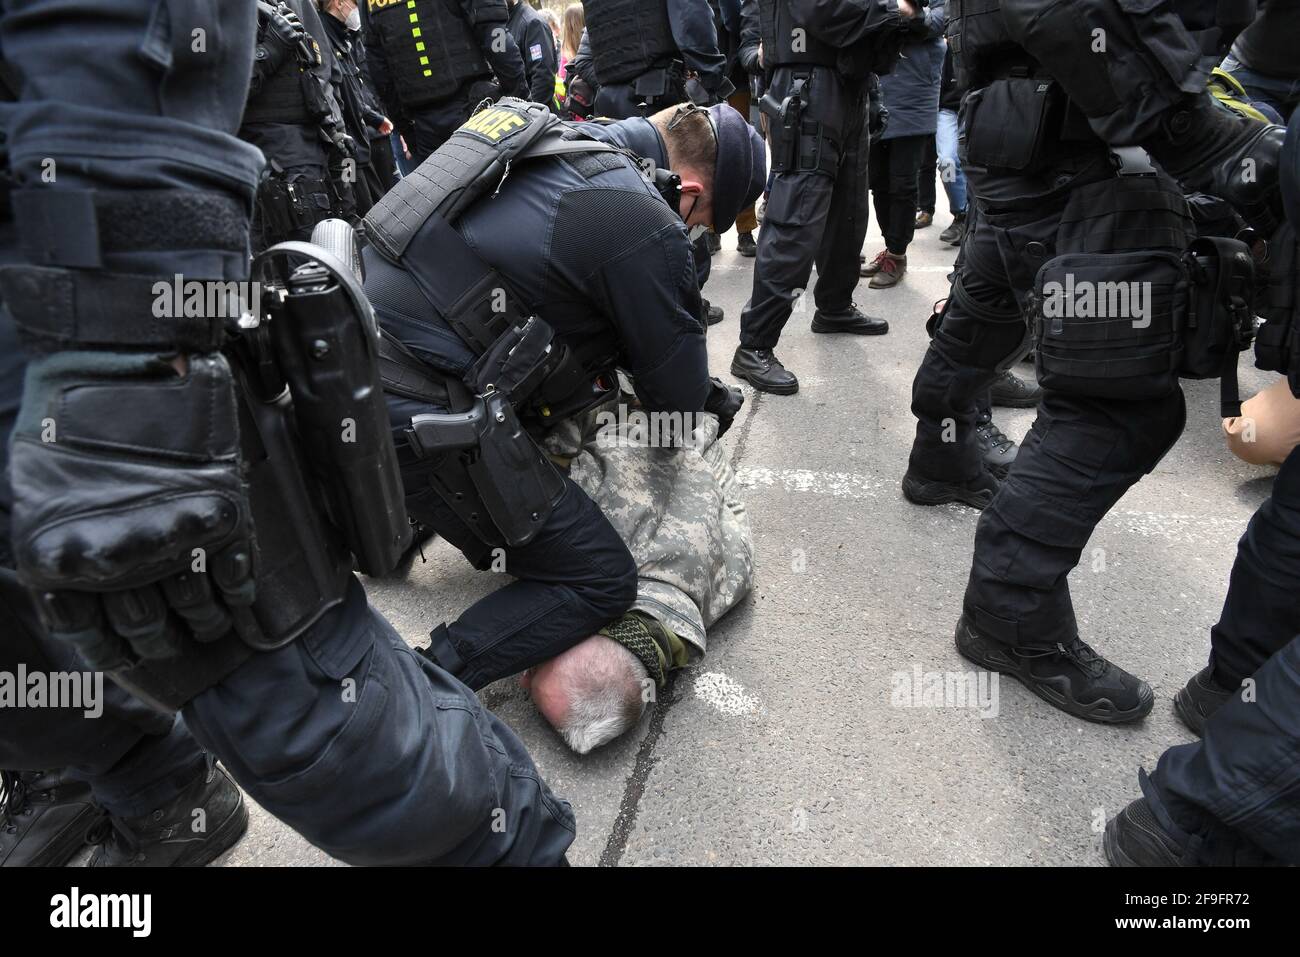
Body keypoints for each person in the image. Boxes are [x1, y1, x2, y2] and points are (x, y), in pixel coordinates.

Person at [0, 0, 575, 867]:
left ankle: (516, 850)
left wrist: (122, 332)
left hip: (75, 279)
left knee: (300, 699)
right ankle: (160, 797)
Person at [905, 0, 1285, 724]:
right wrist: (1194, 130)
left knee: (988, 316)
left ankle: (940, 454)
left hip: (1035, 139)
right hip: (1085, 150)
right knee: (1117, 409)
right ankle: (1007, 614)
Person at [363, 96, 764, 703]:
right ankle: (418, 689)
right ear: (687, 188)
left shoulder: (545, 132)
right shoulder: (643, 219)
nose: (696, 233)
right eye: (703, 219)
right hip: (417, 414)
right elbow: (675, 407)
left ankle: (385, 513)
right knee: (600, 577)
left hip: (345, 355)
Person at [521, 395, 754, 753]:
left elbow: (728, 490)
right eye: (536, 669)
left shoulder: (726, 589)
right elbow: (553, 435)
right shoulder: (581, 542)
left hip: (680, 417)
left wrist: (699, 433)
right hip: (630, 398)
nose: (522, 678)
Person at [730, 0, 915, 396]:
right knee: (796, 218)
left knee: (848, 210)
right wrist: (895, 10)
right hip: (806, 85)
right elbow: (822, 12)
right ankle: (755, 345)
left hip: (847, 84)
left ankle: (833, 307)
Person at [242, 0, 354, 252]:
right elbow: (216, 89)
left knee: (334, 253)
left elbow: (323, 70)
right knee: (298, 268)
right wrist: (269, 51)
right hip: (270, 164)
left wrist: (335, 131)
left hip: (314, 151)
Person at [362, 0, 528, 163]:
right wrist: (521, 102)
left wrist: (408, 132)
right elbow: (494, 37)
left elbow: (380, 75)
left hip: (426, 128)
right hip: (478, 114)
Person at [861, 1, 945, 290]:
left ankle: (898, 254)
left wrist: (910, 13)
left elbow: (937, 22)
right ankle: (890, 247)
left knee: (903, 183)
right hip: (877, 87)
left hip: (915, 94)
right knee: (879, 181)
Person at [318, 0, 398, 216]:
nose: (357, 10)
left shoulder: (343, 38)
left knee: (377, 206)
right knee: (356, 209)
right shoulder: (325, 37)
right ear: (339, 3)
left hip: (360, 147)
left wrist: (373, 118)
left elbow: (353, 92)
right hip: (346, 152)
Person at [507, 0, 559, 109]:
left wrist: (531, 112)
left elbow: (543, 76)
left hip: (531, 114)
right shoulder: (502, 23)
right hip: (509, 109)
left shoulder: (532, 22)